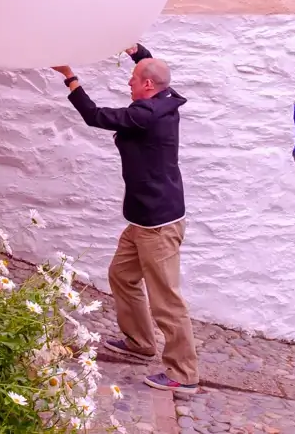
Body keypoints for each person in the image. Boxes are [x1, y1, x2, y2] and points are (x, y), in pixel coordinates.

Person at [51, 44, 199, 395]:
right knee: (122, 275)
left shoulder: (145, 114)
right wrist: (136, 49)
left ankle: (184, 373)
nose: (128, 83)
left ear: (148, 86)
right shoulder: (168, 97)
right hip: (143, 219)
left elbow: (96, 116)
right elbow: (150, 67)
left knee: (166, 300)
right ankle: (140, 342)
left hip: (157, 224)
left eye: (133, 79)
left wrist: (69, 77)